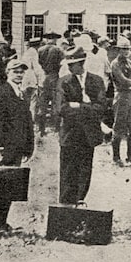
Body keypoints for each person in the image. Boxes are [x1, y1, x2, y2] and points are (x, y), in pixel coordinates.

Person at [0, 58, 34, 236]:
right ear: (7, 72)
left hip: (18, 148)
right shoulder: (2, 92)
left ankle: (2, 222)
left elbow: (26, 121)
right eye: (15, 71)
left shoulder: (20, 93)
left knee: (9, 186)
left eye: (22, 71)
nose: (19, 74)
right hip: (6, 149)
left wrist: (29, 146)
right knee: (2, 186)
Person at [55, 47, 107, 205]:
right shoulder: (63, 81)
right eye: (69, 65)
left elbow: (101, 108)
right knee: (68, 173)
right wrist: (87, 106)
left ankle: (80, 202)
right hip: (70, 134)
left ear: (82, 63)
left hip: (88, 135)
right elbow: (61, 109)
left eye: (73, 64)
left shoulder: (96, 81)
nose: (70, 68)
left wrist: (77, 106)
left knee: (84, 172)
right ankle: (65, 208)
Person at [110, 37, 131, 166]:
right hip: (121, 95)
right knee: (119, 127)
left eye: (127, 49)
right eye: (123, 49)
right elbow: (123, 80)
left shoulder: (130, 61)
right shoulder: (115, 63)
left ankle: (130, 156)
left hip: (130, 96)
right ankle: (116, 158)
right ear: (118, 50)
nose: (126, 51)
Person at [37, 32, 64, 135]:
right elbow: (62, 63)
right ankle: (56, 128)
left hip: (44, 76)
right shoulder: (58, 50)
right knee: (56, 102)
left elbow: (39, 62)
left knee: (43, 103)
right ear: (55, 39)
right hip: (54, 76)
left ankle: (41, 129)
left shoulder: (40, 50)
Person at [20, 37, 45, 124]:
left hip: (25, 77)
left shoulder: (26, 52)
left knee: (25, 100)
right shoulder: (34, 53)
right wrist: (41, 79)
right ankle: (31, 120)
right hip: (31, 78)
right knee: (33, 100)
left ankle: (24, 119)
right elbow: (36, 67)